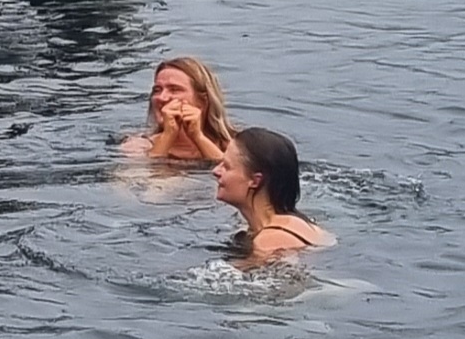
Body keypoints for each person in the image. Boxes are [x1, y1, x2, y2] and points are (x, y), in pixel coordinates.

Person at [213, 126, 331, 260]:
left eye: (226, 167)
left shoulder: (271, 241)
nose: (216, 171)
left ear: (255, 181)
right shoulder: (298, 223)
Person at [123, 56, 234, 166]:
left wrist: (198, 137)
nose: (162, 97)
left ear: (203, 101)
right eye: (157, 90)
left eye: (175, 89)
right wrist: (168, 135)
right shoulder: (138, 146)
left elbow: (236, 178)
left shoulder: (235, 145)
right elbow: (144, 180)